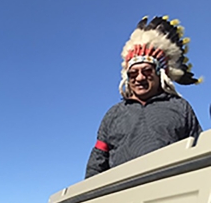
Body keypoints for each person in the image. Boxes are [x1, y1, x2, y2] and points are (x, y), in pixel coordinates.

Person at [86, 16, 202, 178]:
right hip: (119, 196)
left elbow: (199, 151)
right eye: (133, 73)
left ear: (159, 74)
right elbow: (97, 163)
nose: (140, 78)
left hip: (171, 192)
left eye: (147, 71)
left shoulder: (180, 107)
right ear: (126, 78)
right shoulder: (113, 114)